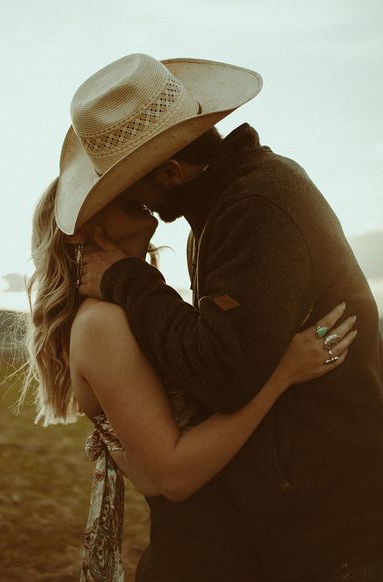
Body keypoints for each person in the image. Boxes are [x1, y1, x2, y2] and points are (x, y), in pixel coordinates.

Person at [54, 53, 383, 581]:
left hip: (331, 523)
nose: (137, 201)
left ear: (170, 170)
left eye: (132, 184)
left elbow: (222, 373)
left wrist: (126, 278)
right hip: (295, 517)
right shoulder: (221, 209)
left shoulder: (255, 207)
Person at [20, 180, 354, 582]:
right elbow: (174, 475)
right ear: (82, 225)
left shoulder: (129, 310)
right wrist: (281, 373)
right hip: (202, 559)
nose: (137, 183)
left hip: (239, 550)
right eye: (114, 188)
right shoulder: (101, 324)